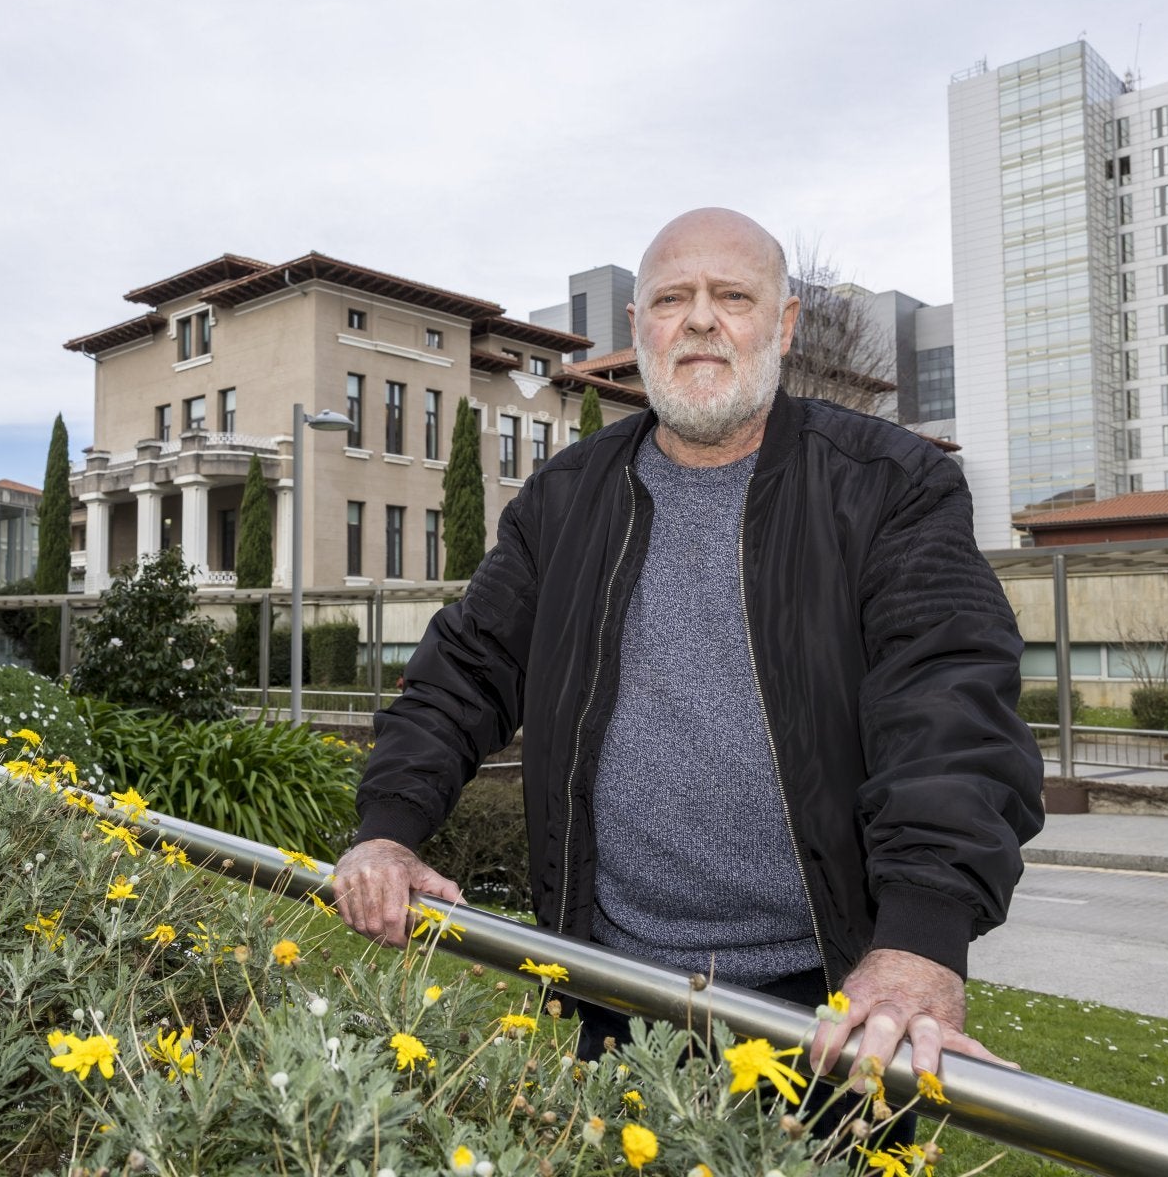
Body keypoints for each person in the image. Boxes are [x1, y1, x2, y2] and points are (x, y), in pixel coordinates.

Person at [332, 208, 1044, 1103]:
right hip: (618, 996)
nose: (701, 319)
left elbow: (950, 707)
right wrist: (388, 832)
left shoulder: (890, 487)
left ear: (783, 325)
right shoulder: (565, 500)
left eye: (732, 296)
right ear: (639, 333)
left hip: (830, 1010)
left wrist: (920, 940)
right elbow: (462, 674)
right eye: (672, 298)